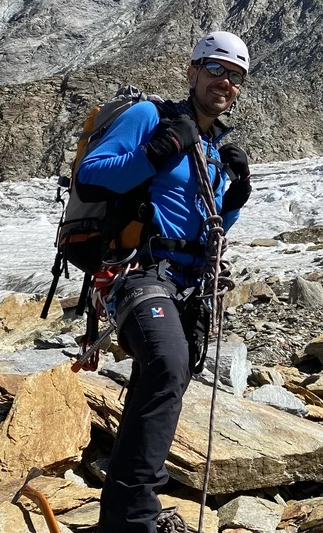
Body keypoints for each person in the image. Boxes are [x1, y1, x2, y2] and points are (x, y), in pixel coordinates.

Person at [78, 31, 252, 533]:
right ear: (193, 71)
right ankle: (134, 519)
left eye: (235, 76)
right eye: (216, 69)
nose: (225, 82)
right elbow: (93, 176)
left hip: (190, 282)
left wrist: (235, 195)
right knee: (166, 365)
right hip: (137, 271)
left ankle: (126, 508)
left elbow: (212, 226)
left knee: (171, 374)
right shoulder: (150, 118)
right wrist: (159, 150)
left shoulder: (217, 149)